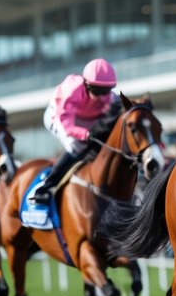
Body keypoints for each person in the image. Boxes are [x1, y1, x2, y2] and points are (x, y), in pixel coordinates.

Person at [31, 58, 122, 205]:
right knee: (76, 145)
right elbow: (67, 126)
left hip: (87, 119)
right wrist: (86, 134)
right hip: (59, 117)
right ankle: (46, 188)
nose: (101, 97)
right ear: (86, 85)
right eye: (96, 91)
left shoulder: (113, 99)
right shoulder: (72, 91)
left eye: (105, 91)